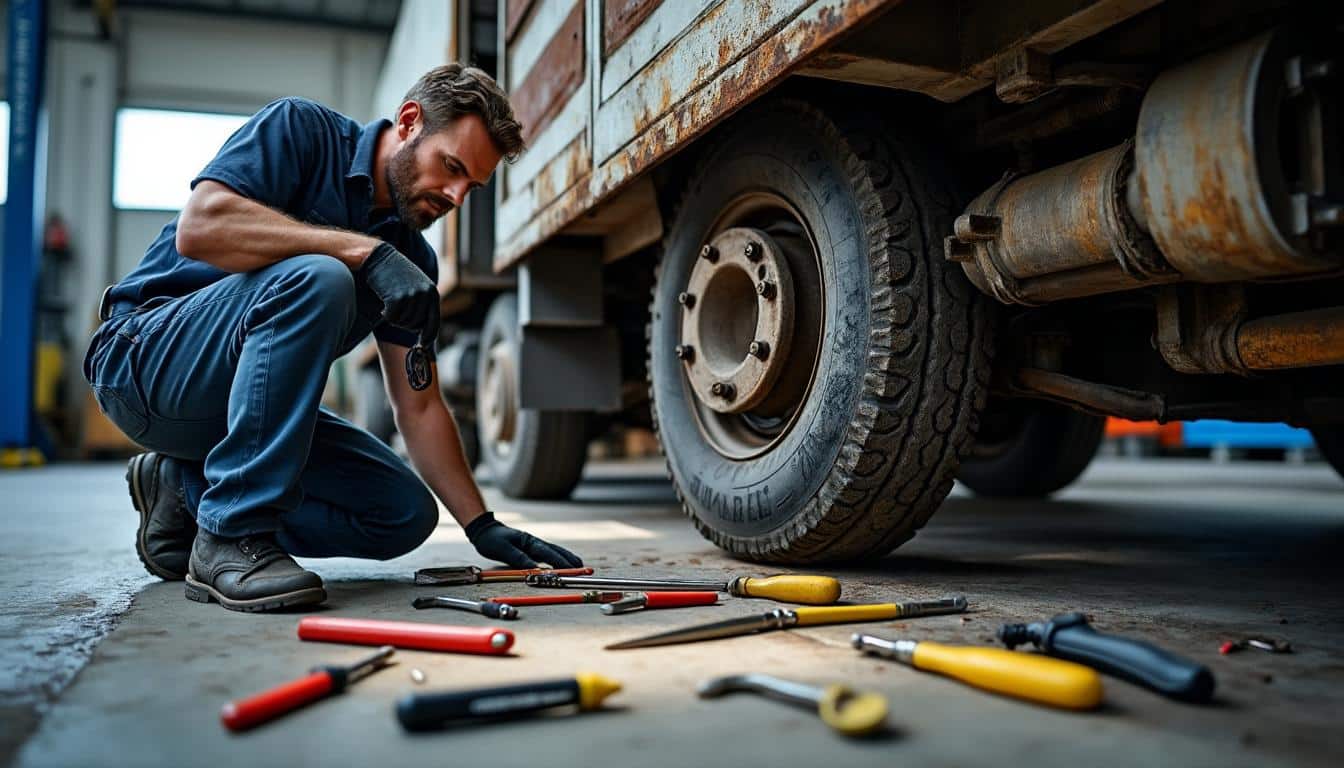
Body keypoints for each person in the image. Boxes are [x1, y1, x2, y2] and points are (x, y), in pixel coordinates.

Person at [83, 65, 582, 613]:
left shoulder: (413, 258)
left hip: (225, 414)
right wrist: (361, 252)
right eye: (452, 167)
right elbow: (201, 226)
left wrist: (480, 524)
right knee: (320, 277)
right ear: (411, 122)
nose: (457, 196)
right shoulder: (301, 131)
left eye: (472, 186)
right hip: (144, 364)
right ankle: (231, 535)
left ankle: (184, 492)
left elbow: (418, 407)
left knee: (401, 513)